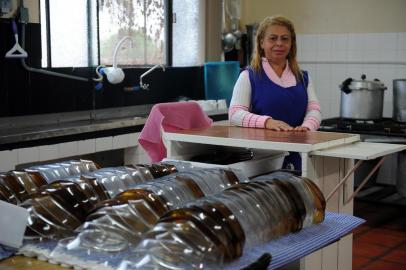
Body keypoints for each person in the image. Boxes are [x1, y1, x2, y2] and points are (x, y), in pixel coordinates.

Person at [228, 15, 321, 171]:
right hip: (262, 160)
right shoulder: (249, 75)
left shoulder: (303, 77)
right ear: (262, 43)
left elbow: (314, 110)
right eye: (273, 38)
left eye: (285, 39)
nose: (279, 43)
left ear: (291, 44)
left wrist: (307, 127)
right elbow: (235, 114)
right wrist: (267, 122)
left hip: (299, 155)